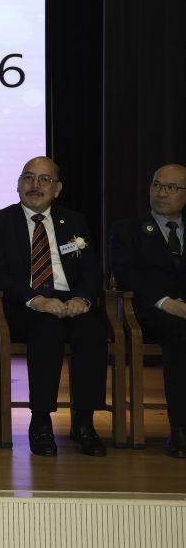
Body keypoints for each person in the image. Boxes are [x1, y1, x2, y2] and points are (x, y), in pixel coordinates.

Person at [0, 156, 108, 457]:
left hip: (70, 301)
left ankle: (84, 422)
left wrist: (81, 299)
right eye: (28, 177)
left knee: (92, 330)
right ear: (18, 184)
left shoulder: (74, 221)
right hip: (24, 304)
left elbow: (92, 271)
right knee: (47, 329)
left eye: (44, 179)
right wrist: (36, 300)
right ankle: (40, 421)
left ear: (57, 188)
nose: (35, 185)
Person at [109, 163, 186, 458]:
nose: (161, 193)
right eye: (156, 185)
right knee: (180, 333)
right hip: (146, 312)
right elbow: (126, 275)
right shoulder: (127, 229)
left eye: (171, 187)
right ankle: (180, 427)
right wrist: (166, 303)